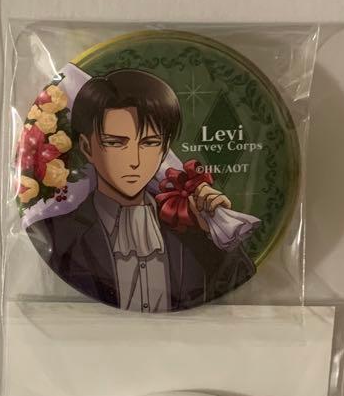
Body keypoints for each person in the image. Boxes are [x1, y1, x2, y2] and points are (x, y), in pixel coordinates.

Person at [26, 69, 254, 312]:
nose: (134, 161)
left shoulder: (195, 233)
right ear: (87, 147)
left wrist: (216, 231)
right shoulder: (55, 235)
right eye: (115, 143)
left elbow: (236, 289)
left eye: (149, 143)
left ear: (165, 150)